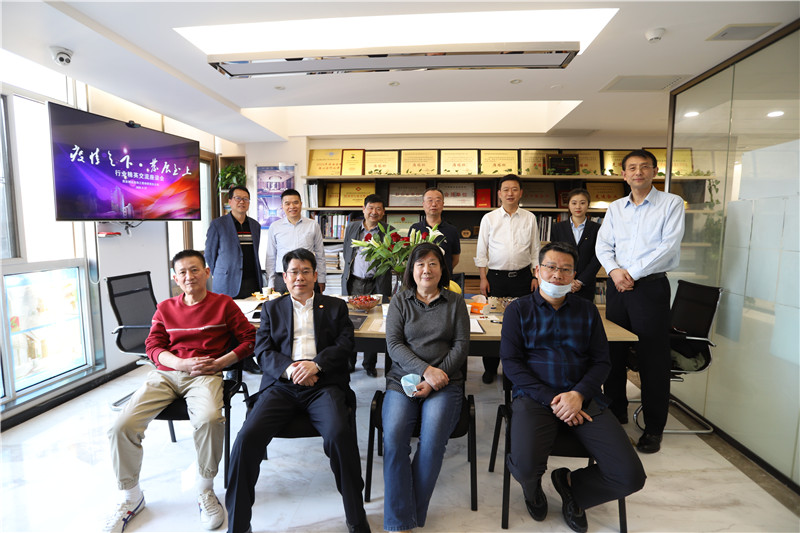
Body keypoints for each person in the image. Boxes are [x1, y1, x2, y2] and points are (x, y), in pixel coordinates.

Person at [104, 250, 256, 533]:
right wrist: (179, 363)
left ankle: (205, 489)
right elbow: (153, 346)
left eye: (195, 270)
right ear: (175, 278)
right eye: (183, 272)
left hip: (205, 375)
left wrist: (221, 362)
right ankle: (131, 497)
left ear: (207, 272)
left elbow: (250, 339)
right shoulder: (165, 308)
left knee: (210, 419)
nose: (189, 276)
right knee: (120, 426)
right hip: (167, 374)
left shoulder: (224, 304)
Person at [500, 242, 646, 533]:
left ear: (574, 275)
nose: (557, 275)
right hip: (534, 398)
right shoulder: (518, 310)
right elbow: (512, 364)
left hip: (584, 398)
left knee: (630, 476)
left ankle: (572, 487)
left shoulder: (587, 310)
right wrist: (555, 399)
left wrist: (577, 395)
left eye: (565, 270)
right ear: (537, 270)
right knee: (526, 468)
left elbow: (602, 362)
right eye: (551, 267)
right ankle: (532, 490)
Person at [225, 248, 370, 533]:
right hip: (281, 385)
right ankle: (238, 526)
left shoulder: (335, 306)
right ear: (284, 277)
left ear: (315, 275)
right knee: (246, 438)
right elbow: (262, 350)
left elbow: (345, 344)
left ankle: (356, 518)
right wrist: (291, 369)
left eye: (305, 271)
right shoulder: (271, 309)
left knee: (339, 435)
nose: (299, 277)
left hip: (323, 386)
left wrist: (316, 365)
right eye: (294, 272)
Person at [595, 149, 685, 454]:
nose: (638, 172)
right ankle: (615, 411)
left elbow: (668, 247)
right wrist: (614, 271)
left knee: (652, 359)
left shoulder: (671, 204)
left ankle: (654, 427)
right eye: (631, 168)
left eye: (644, 167)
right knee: (613, 353)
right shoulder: (615, 208)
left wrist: (630, 273)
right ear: (623, 175)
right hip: (618, 287)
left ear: (655, 171)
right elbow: (603, 245)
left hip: (650, 288)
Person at [382, 243, 470, 532]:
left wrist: (435, 378)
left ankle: (404, 518)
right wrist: (425, 371)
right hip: (402, 381)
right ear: (411, 269)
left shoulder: (455, 302)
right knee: (394, 439)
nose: (426, 270)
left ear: (442, 269)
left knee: (432, 443)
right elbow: (394, 345)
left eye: (433, 263)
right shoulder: (400, 301)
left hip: (445, 383)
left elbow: (460, 346)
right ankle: (402, 521)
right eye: (420, 264)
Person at [474, 174, 540, 384]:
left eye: (514, 189)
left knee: (522, 323)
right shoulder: (489, 218)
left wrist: (535, 276)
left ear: (521, 193)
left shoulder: (530, 218)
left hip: (523, 278)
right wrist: (483, 278)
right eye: (506, 189)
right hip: (496, 278)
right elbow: (481, 251)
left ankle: (516, 370)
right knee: (493, 322)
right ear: (499, 194)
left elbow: (535, 250)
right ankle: (490, 368)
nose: (510, 193)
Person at [342, 193, 392, 376]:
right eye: (370, 208)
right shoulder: (352, 227)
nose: (374, 212)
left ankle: (369, 364)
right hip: (354, 281)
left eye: (378, 208)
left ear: (383, 212)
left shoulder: (389, 231)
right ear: (363, 209)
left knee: (374, 322)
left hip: (377, 283)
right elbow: (346, 252)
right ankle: (349, 362)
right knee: (350, 322)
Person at [205, 185, 263, 300]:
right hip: (226, 282)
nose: (242, 202)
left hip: (252, 282)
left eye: (245, 199)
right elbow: (209, 254)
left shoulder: (255, 225)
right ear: (230, 201)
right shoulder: (218, 224)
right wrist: (221, 273)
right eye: (238, 198)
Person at [264, 188, 326, 294]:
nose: (292, 206)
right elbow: (271, 257)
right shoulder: (275, 227)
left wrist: (321, 279)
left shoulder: (313, 225)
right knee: (282, 304)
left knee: (310, 303)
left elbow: (320, 255)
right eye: (287, 203)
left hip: (307, 275)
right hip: (282, 277)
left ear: (301, 204)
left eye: (295, 202)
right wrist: (271, 282)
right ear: (282, 206)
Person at [550, 188, 602, 302]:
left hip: (586, 283)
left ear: (588, 205)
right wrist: (568, 279)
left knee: (584, 312)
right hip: (562, 281)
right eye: (574, 203)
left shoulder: (597, 229)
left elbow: (598, 257)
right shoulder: (557, 228)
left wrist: (580, 281)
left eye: (582, 203)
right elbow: (555, 256)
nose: (578, 207)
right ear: (568, 205)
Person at [407, 187, 461, 276]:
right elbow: (410, 256)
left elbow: (455, 258)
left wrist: (440, 272)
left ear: (443, 204)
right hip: (420, 278)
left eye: (438, 200)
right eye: (430, 200)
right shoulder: (415, 228)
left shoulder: (452, 230)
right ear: (423, 204)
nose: (434, 204)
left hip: (444, 278)